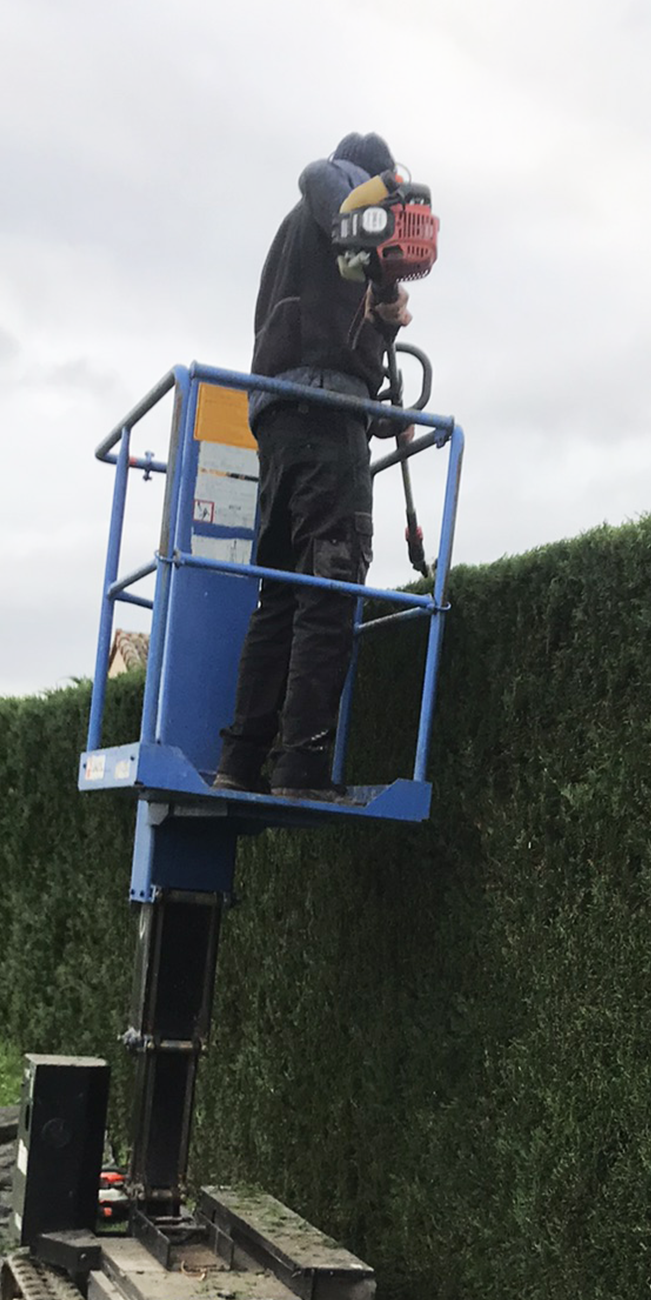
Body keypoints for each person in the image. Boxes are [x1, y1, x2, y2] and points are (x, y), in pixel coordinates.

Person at [214, 132, 415, 800]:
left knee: (282, 593)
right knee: (331, 581)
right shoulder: (334, 190)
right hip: (317, 415)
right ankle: (300, 767)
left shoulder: (322, 247)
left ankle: (240, 761)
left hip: (286, 416)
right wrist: (385, 264)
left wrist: (383, 326)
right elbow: (320, 175)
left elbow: (342, 351)